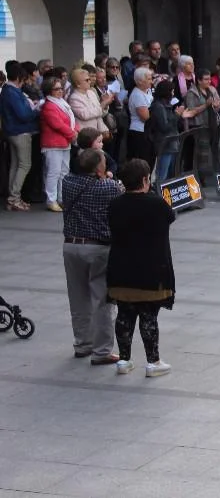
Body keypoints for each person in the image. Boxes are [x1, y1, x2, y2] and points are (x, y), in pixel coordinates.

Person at [106, 158, 176, 377]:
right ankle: (153, 362)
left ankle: (124, 360)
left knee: (124, 315)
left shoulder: (115, 204)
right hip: (150, 271)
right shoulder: (156, 204)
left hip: (120, 269)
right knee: (148, 317)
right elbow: (170, 217)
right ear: (145, 180)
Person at [61, 148, 123, 364]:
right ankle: (102, 351)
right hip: (98, 248)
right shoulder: (108, 187)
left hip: (71, 245)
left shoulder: (68, 182)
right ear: (98, 168)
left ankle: (82, 343)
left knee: (78, 297)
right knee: (103, 300)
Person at [1, 62, 40, 211]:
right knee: (24, 165)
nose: (23, 83)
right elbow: (23, 114)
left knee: (15, 165)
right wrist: (36, 109)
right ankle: (14, 198)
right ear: (18, 78)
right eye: (23, 80)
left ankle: (13, 198)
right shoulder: (13, 92)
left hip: (11, 131)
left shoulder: (6, 90)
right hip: (20, 132)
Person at [39, 77, 78, 212]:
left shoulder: (62, 103)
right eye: (56, 89)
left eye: (61, 88)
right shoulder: (49, 106)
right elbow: (57, 124)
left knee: (64, 172)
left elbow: (71, 120)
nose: (60, 91)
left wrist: (76, 130)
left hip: (64, 142)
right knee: (53, 173)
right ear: (49, 91)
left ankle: (61, 198)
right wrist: (73, 133)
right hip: (53, 144)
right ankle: (51, 200)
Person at [126, 67, 154, 162]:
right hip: (139, 131)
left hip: (147, 131)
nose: (151, 81)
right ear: (140, 81)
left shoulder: (148, 91)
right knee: (142, 160)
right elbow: (145, 117)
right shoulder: (137, 95)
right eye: (149, 79)